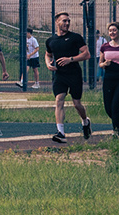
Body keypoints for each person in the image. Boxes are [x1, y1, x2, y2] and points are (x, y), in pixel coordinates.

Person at [44, 11, 92, 143]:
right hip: (60, 75)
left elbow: (86, 54)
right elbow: (48, 54)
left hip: (74, 74)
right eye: (64, 21)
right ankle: (61, 133)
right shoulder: (51, 40)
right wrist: (48, 64)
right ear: (57, 22)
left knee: (77, 104)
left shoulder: (75, 37)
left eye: (68, 21)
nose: (67, 23)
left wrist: (70, 59)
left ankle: (85, 121)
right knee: (59, 100)